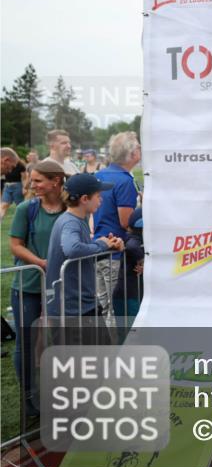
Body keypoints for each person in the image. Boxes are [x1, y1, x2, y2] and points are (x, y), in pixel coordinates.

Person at [8, 158, 67, 414]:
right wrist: (41, 262)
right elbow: (15, 244)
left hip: (62, 288)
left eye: (38, 181)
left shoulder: (71, 208)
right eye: (32, 181)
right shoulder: (26, 209)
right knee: (26, 342)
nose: (33, 185)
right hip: (28, 286)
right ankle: (30, 398)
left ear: (56, 181)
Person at [45, 174, 124, 322]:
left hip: (80, 304)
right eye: (98, 196)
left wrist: (109, 247)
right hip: (73, 309)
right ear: (85, 199)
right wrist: (101, 244)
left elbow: (81, 257)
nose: (101, 200)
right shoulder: (71, 222)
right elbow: (72, 250)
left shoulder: (78, 219)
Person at [93, 132, 141, 328]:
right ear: (131, 154)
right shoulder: (124, 181)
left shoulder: (99, 174)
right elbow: (126, 222)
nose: (141, 150)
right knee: (117, 311)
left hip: (99, 247)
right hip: (116, 253)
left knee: (106, 309)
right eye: (138, 147)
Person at [115, 207, 144, 322]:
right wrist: (143, 261)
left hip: (126, 294)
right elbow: (132, 247)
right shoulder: (134, 239)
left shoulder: (131, 237)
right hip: (129, 296)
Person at [1, 147, 27, 218]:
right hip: (7, 186)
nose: (10, 171)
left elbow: (24, 177)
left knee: (20, 206)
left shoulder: (21, 165)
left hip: (17, 186)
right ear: (6, 160)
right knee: (3, 205)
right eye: (11, 167)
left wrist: (24, 187)